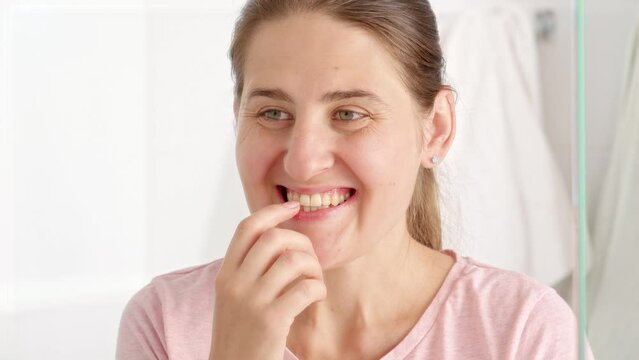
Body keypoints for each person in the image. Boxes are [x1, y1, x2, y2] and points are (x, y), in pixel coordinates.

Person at [116, 1, 595, 359]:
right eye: (273, 112)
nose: (303, 162)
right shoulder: (166, 324)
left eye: (349, 113)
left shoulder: (524, 332)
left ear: (437, 129)